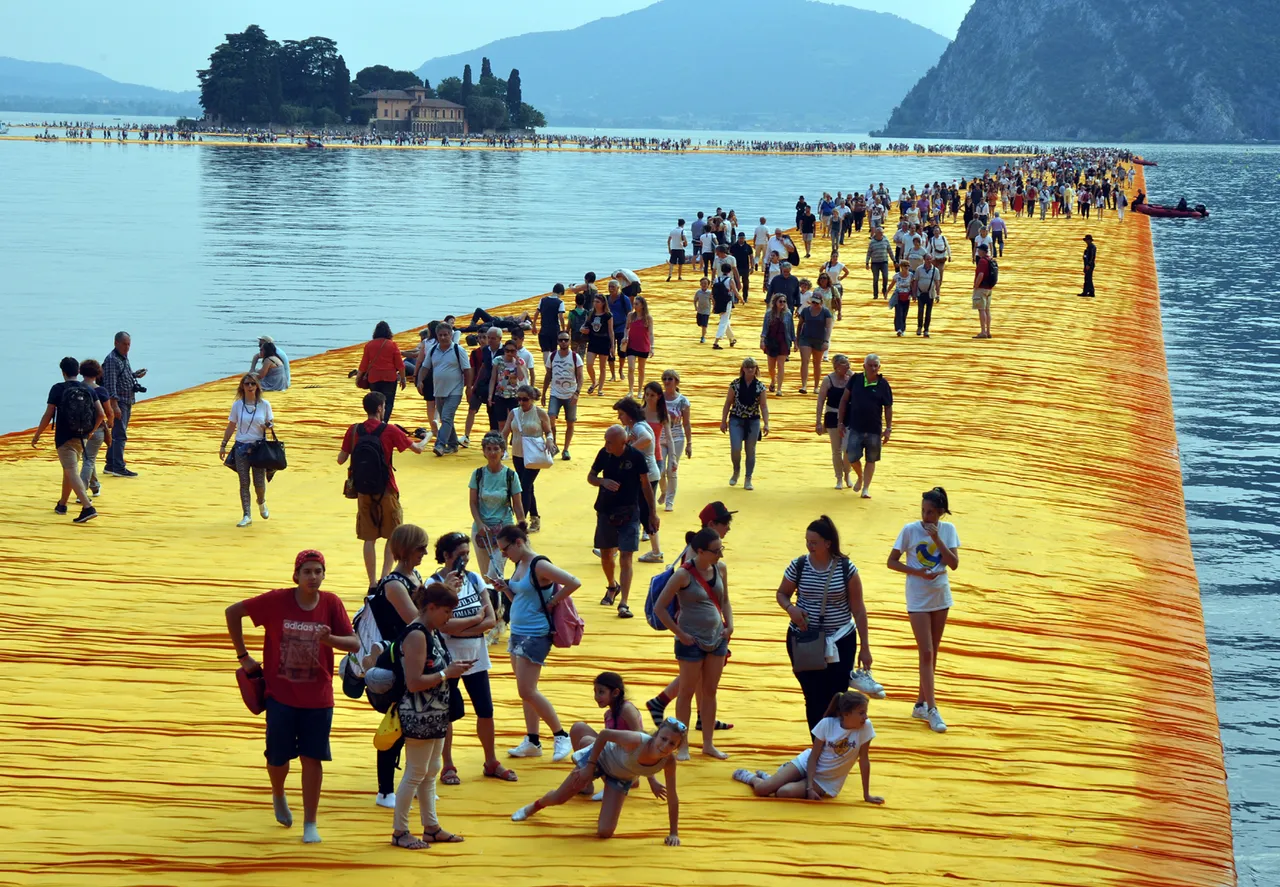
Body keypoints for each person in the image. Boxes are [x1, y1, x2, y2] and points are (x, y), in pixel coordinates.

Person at [224, 549, 359, 844]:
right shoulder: (276, 601)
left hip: (318, 698)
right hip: (280, 696)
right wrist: (243, 656)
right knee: (277, 758)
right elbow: (232, 612)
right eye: (307, 571)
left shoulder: (331, 603)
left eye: (318, 571)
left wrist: (330, 639)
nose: (313, 577)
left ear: (324, 575)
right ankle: (278, 792)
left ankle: (310, 822)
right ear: (296, 575)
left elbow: (354, 644)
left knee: (313, 759)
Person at [511, 718, 685, 847]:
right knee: (559, 798)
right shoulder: (636, 740)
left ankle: (591, 762)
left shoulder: (668, 761)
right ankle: (534, 806)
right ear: (656, 735)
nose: (665, 746)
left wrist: (674, 833)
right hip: (601, 759)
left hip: (620, 777)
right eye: (663, 739)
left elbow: (673, 797)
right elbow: (604, 735)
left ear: (676, 748)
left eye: (672, 744)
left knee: (605, 832)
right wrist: (590, 766)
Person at [389, 581, 473, 849]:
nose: (449, 618)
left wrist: (449, 671)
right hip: (419, 713)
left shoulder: (430, 631)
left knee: (430, 771)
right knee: (415, 773)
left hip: (434, 712)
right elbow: (413, 682)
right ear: (432, 607)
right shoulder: (417, 634)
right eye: (447, 612)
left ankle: (431, 827)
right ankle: (400, 831)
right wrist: (446, 674)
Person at [775, 516, 876, 733]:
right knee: (812, 695)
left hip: (840, 641)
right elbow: (782, 594)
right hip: (805, 640)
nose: (809, 546)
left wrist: (865, 647)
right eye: (807, 541)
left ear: (828, 543)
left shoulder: (846, 569)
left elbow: (858, 609)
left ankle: (836, 746)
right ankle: (819, 747)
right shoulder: (799, 565)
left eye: (814, 542)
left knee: (837, 696)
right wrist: (791, 609)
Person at [428, 532, 515, 784]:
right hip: (448, 659)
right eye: (460, 555)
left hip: (476, 657)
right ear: (446, 556)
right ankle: (448, 765)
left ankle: (491, 760)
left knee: (485, 710)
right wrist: (474, 620)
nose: (465, 559)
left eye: (467, 554)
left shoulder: (475, 579)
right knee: (446, 714)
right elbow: (442, 625)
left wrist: (462, 626)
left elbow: (490, 620)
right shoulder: (433, 585)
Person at [493, 522, 581, 760]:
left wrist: (555, 601)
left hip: (535, 634)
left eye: (505, 549)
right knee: (526, 692)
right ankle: (533, 740)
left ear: (519, 542)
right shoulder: (519, 564)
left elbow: (574, 581)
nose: (504, 555)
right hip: (518, 631)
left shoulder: (538, 564)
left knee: (527, 690)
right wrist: (505, 589)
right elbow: (521, 596)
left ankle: (560, 735)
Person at [655, 527, 732, 761]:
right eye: (716, 551)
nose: (720, 554)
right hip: (691, 641)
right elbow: (660, 608)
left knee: (710, 692)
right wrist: (679, 633)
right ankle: (683, 745)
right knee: (686, 693)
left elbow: (725, 599)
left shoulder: (720, 569)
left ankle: (708, 744)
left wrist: (730, 624)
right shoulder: (683, 575)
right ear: (700, 551)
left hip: (717, 638)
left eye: (721, 549)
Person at [888, 487, 960, 734]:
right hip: (918, 598)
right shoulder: (910, 530)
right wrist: (917, 572)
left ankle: (920, 703)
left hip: (940, 596)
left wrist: (938, 538)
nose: (926, 516)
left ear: (940, 513)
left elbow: (954, 564)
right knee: (926, 651)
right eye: (923, 511)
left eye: (930, 512)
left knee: (933, 652)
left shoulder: (948, 530)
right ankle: (932, 708)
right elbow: (892, 561)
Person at [337, 391, 427, 587]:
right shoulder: (390, 430)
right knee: (391, 535)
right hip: (386, 488)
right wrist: (427, 436)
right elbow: (418, 449)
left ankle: (371, 583)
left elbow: (340, 459)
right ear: (379, 408)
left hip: (363, 490)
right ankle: (385, 578)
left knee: (369, 538)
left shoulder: (354, 430)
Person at [731, 691, 881, 803]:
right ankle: (752, 778)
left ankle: (773, 779)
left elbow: (864, 760)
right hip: (806, 764)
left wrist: (866, 795)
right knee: (762, 790)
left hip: (825, 780)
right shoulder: (827, 724)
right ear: (847, 714)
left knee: (783, 792)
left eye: (865, 713)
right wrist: (809, 788)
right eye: (861, 713)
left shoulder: (865, 728)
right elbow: (813, 757)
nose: (866, 717)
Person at [589, 425, 661, 618]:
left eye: (610, 442)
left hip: (630, 511)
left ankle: (624, 602)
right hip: (606, 510)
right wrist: (602, 482)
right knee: (606, 555)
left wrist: (652, 513)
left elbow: (646, 485)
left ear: (623, 442)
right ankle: (612, 584)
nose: (606, 445)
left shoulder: (636, 457)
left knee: (626, 557)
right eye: (605, 441)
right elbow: (591, 477)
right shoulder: (604, 454)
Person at [31, 355, 104, 523]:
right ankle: (62, 504)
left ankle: (87, 507)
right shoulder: (88, 389)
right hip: (82, 435)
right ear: (78, 372)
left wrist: (37, 435)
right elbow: (101, 414)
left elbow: (49, 414)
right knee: (68, 470)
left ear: (63, 372)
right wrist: (91, 431)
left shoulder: (57, 388)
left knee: (71, 470)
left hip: (64, 437)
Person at [570, 672, 648, 800]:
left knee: (587, 742)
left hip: (627, 762)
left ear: (615, 693)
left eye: (601, 692)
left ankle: (613, 786)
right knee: (577, 728)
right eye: (595, 692)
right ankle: (586, 784)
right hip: (616, 757)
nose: (596, 697)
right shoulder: (608, 714)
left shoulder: (627, 709)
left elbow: (642, 741)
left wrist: (648, 776)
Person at [219, 373, 274, 527]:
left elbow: (270, 424)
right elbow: (231, 425)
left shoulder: (264, 404)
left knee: (259, 483)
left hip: (258, 448)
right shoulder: (237, 405)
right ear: (242, 387)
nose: (250, 387)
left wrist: (267, 426)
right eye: (246, 384)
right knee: (244, 482)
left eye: (252, 384)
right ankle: (246, 515)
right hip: (241, 447)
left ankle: (261, 501)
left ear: (257, 386)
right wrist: (223, 444)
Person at [615, 396, 665, 565]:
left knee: (641, 512)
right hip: (646, 474)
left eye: (621, 414)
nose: (619, 418)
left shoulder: (638, 427)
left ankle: (656, 551)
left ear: (629, 414)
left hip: (646, 475)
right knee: (636, 511)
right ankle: (617, 548)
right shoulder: (634, 427)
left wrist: (628, 450)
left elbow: (647, 439)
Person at [469, 431, 525, 579]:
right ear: (484, 452)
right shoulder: (477, 474)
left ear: (503, 451)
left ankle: (498, 600)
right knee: (486, 576)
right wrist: (479, 524)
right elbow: (473, 503)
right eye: (489, 449)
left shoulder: (511, 476)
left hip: (504, 531)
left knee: (495, 574)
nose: (492, 452)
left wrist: (521, 527)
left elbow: (518, 505)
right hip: (482, 532)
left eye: (496, 449)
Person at [836, 354, 892, 499]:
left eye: (876, 366)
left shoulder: (883, 384)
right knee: (852, 457)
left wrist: (888, 428)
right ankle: (860, 477)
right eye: (870, 365)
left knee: (871, 459)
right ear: (864, 366)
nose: (873, 368)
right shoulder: (856, 380)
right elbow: (844, 400)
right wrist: (840, 422)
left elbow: (888, 407)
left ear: (879, 367)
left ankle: (866, 488)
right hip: (856, 426)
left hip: (874, 429)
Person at [501, 386, 553, 534]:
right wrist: (501, 447)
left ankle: (521, 522)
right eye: (519, 399)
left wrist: (549, 440)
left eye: (525, 399)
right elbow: (505, 432)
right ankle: (535, 517)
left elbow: (548, 431)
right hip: (518, 454)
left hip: (534, 456)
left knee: (523, 487)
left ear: (532, 399)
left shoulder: (540, 413)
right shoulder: (514, 413)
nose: (521, 402)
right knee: (528, 487)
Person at [416, 322, 471, 456]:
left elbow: (467, 370)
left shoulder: (459, 350)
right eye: (440, 335)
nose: (443, 337)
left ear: (451, 335)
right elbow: (425, 367)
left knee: (446, 418)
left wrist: (468, 387)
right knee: (448, 419)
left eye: (446, 335)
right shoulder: (433, 350)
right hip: (438, 391)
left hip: (455, 390)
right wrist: (419, 380)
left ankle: (440, 444)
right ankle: (452, 445)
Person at [102, 330, 146, 477]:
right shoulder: (112, 360)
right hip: (119, 402)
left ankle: (110, 464)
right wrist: (114, 406)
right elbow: (110, 384)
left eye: (129, 344)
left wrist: (134, 375)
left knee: (118, 433)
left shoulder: (122, 357)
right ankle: (118, 467)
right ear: (116, 343)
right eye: (125, 344)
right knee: (120, 435)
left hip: (126, 400)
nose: (127, 347)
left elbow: (121, 377)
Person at [815, 354, 854, 489]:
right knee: (836, 450)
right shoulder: (828, 380)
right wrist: (818, 421)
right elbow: (820, 401)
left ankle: (847, 473)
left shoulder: (852, 378)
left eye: (848, 363)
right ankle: (839, 478)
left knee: (847, 448)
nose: (848, 366)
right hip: (832, 416)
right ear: (836, 366)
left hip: (848, 417)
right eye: (844, 364)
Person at [77, 359, 114, 496]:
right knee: (89, 460)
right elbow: (108, 412)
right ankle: (82, 493)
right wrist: (110, 423)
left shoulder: (75, 387)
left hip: (78, 429)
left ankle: (95, 486)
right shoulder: (100, 391)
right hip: (96, 429)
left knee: (87, 457)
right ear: (98, 373)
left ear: (81, 372)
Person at [544, 332, 583, 461]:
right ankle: (554, 444)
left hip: (570, 394)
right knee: (551, 418)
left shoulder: (575, 357)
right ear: (558, 341)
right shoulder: (552, 356)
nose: (563, 342)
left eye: (566, 340)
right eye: (561, 340)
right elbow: (548, 375)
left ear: (569, 341)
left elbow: (580, 377)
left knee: (570, 422)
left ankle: (566, 449)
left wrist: (577, 393)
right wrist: (544, 393)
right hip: (555, 393)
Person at [359, 322, 407, 422]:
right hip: (389, 377)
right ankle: (384, 423)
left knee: (375, 402)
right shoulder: (392, 344)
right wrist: (403, 379)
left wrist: (358, 377)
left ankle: (375, 421)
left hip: (374, 377)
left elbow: (364, 364)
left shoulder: (369, 345)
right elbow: (400, 364)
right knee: (388, 402)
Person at [464, 328, 503, 444]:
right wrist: (473, 385)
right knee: (472, 407)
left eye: (492, 338)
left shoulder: (505, 350)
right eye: (488, 338)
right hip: (483, 384)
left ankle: (498, 439)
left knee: (494, 413)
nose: (489, 340)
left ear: (499, 339)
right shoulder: (485, 350)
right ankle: (466, 436)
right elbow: (483, 367)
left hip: (499, 386)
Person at [659, 371, 691, 512]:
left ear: (676, 381)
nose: (667, 381)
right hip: (660, 438)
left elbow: (687, 423)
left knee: (672, 469)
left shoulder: (683, 401)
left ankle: (670, 500)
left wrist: (689, 443)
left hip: (677, 438)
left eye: (670, 379)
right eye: (664, 379)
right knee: (659, 470)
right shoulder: (658, 398)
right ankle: (664, 491)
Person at [795, 291, 833, 393]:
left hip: (819, 339)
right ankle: (804, 386)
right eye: (813, 302)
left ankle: (816, 387)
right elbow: (799, 325)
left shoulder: (826, 312)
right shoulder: (806, 311)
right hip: (805, 338)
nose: (814, 304)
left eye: (816, 302)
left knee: (817, 363)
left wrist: (826, 341)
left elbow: (828, 327)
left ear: (821, 302)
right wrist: (797, 339)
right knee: (805, 361)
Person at [760, 294, 795, 396]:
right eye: (780, 301)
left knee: (781, 365)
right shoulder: (768, 314)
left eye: (784, 302)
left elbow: (791, 329)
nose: (782, 304)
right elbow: (765, 329)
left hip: (784, 341)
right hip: (771, 341)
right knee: (771, 367)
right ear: (775, 302)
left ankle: (779, 388)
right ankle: (773, 380)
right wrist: (762, 340)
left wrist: (794, 341)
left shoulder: (788, 314)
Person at [582, 292, 615, 396]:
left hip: (604, 341)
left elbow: (610, 331)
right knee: (589, 364)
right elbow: (585, 325)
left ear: (603, 303)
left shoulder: (608, 315)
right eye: (594, 301)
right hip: (593, 341)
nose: (595, 304)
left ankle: (600, 388)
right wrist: (582, 329)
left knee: (603, 367)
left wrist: (612, 346)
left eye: (598, 302)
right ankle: (594, 381)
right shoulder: (591, 313)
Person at [621, 296, 654, 398]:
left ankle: (640, 391)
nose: (634, 306)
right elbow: (626, 328)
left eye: (636, 304)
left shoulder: (648, 318)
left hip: (643, 345)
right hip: (631, 344)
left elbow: (651, 333)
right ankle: (630, 390)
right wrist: (625, 336)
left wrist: (652, 347)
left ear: (642, 305)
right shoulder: (631, 315)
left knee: (641, 369)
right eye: (634, 304)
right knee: (631, 368)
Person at [535, 284, 567, 367]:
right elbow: (561, 317)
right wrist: (563, 329)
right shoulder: (560, 302)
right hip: (554, 330)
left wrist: (534, 324)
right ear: (560, 293)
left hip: (544, 329)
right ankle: (553, 368)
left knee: (545, 351)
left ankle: (547, 369)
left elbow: (537, 313)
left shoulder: (543, 300)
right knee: (553, 351)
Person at [711, 262, 740, 350]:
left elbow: (713, 292)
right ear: (730, 271)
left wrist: (714, 303)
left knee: (725, 320)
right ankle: (716, 341)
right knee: (723, 321)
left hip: (718, 301)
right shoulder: (730, 280)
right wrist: (741, 299)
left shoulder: (717, 279)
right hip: (727, 302)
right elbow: (735, 292)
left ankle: (731, 339)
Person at [913, 254, 941, 337]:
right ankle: (919, 327)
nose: (929, 261)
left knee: (928, 313)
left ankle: (926, 329)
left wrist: (938, 294)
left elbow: (937, 283)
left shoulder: (935, 270)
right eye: (927, 259)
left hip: (930, 294)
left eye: (930, 259)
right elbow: (915, 282)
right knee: (920, 311)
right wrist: (914, 294)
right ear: (924, 259)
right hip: (920, 293)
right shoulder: (919, 269)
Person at [972, 244, 995, 339]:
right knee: (987, 310)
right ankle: (988, 331)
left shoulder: (982, 261)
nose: (978, 252)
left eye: (979, 250)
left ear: (983, 251)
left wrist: (976, 286)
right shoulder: (990, 260)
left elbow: (980, 275)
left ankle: (983, 331)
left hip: (981, 288)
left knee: (981, 309)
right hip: (989, 288)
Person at [865, 228, 892, 300]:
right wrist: (867, 262)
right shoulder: (872, 242)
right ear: (876, 234)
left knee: (885, 277)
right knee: (876, 279)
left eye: (882, 233)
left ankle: (884, 290)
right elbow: (869, 253)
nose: (882, 234)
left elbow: (890, 251)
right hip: (875, 263)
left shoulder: (886, 240)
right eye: (880, 233)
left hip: (884, 262)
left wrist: (894, 260)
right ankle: (875, 294)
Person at [730, 232, 754, 300]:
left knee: (745, 283)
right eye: (740, 238)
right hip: (736, 267)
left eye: (743, 238)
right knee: (736, 282)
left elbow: (751, 257)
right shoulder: (734, 246)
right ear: (738, 238)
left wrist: (752, 267)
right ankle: (736, 297)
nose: (742, 239)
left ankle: (745, 297)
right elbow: (730, 256)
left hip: (745, 267)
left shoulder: (748, 247)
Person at [693, 277, 712, 344]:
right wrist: (695, 307)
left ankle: (703, 337)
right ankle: (704, 329)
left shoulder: (710, 293)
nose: (704, 285)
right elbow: (695, 300)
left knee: (704, 325)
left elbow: (713, 300)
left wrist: (714, 307)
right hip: (699, 311)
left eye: (705, 283)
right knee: (699, 323)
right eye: (702, 283)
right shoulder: (698, 292)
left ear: (708, 285)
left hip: (706, 311)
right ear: (700, 284)